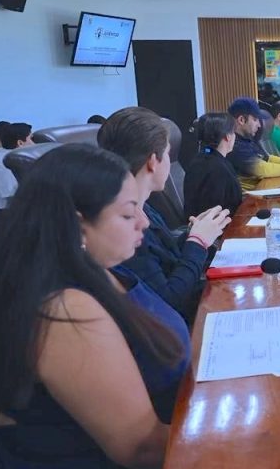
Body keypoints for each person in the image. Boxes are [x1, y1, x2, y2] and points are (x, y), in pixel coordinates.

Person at [0, 144, 190, 469]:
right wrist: (243, 445)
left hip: (158, 465)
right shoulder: (64, 311)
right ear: (77, 225)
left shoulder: (101, 270)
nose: (145, 222)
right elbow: (139, 448)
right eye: (128, 214)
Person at [98, 107, 230, 323]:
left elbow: (164, 256)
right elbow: (168, 301)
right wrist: (197, 243)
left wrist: (195, 234)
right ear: (153, 161)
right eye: (168, 153)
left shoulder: (145, 206)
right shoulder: (124, 228)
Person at [227, 97, 280, 190]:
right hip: (247, 196)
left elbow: (266, 157)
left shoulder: (247, 139)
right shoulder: (234, 144)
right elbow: (261, 169)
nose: (259, 125)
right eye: (255, 120)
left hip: (260, 190)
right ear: (241, 120)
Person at [184, 112, 243, 219]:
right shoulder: (217, 169)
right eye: (234, 132)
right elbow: (215, 212)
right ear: (228, 136)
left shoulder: (203, 159)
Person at [0, 122, 33, 218]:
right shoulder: (1, 163)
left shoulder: (12, 157)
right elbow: (13, 195)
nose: (34, 144)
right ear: (20, 143)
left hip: (6, 207)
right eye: (31, 139)